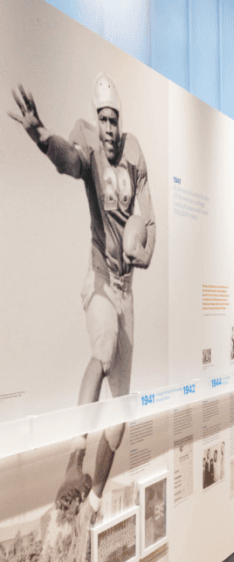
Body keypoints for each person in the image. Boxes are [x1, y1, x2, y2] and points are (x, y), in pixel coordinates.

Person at [8, 74, 156, 522]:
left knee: (123, 408)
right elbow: (69, 160)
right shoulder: (88, 142)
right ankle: (74, 459)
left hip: (126, 289)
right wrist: (41, 137)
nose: (107, 129)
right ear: (96, 119)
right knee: (104, 349)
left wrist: (143, 251)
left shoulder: (135, 153)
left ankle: (93, 498)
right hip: (99, 279)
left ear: (121, 121)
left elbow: (149, 224)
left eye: (113, 120)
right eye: (102, 119)